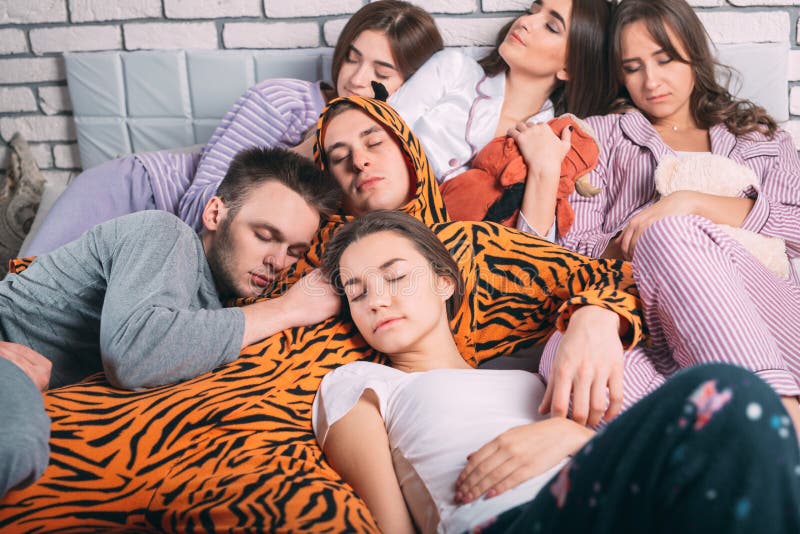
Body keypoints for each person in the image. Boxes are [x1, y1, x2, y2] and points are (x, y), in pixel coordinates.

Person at [0, 97, 643, 530]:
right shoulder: (241, 253)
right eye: (337, 155)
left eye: (373, 140)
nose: (358, 159)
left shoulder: (464, 247)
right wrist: (288, 301)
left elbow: (584, 273)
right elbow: (146, 341)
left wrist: (594, 318)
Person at [315, 210, 800, 534]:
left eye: (396, 276)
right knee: (730, 393)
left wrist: (574, 436)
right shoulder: (357, 382)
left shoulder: (530, 371)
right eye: (356, 292)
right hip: (514, 521)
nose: (376, 298)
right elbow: (385, 524)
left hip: (617, 504)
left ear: (445, 283)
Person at [523, 0, 800, 440]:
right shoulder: (600, 136)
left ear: (693, 52)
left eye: (665, 59)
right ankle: (732, 455)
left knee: (672, 232)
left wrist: (689, 203)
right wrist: (638, 238)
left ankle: (778, 420)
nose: (651, 81)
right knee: (564, 351)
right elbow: (567, 255)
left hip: (765, 316)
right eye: (633, 68)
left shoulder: (760, 138)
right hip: (642, 321)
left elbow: (795, 229)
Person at [0, 146, 341, 498]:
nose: (278, 261)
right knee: (16, 446)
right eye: (264, 236)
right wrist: (286, 310)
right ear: (214, 213)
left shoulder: (216, 306)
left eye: (294, 252)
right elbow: (134, 356)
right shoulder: (165, 233)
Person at [22, 0, 443, 255]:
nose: (354, 77)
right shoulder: (286, 101)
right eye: (352, 57)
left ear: (412, 86)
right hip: (139, 193)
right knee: (24, 297)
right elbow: (202, 205)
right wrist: (308, 147)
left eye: (380, 71)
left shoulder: (394, 154)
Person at [389, 0, 614, 238]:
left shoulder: (559, 144)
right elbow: (379, 130)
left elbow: (534, 250)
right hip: (389, 226)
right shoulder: (453, 69)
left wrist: (544, 168)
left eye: (551, 26)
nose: (525, 22)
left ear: (569, 68)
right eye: (532, 11)